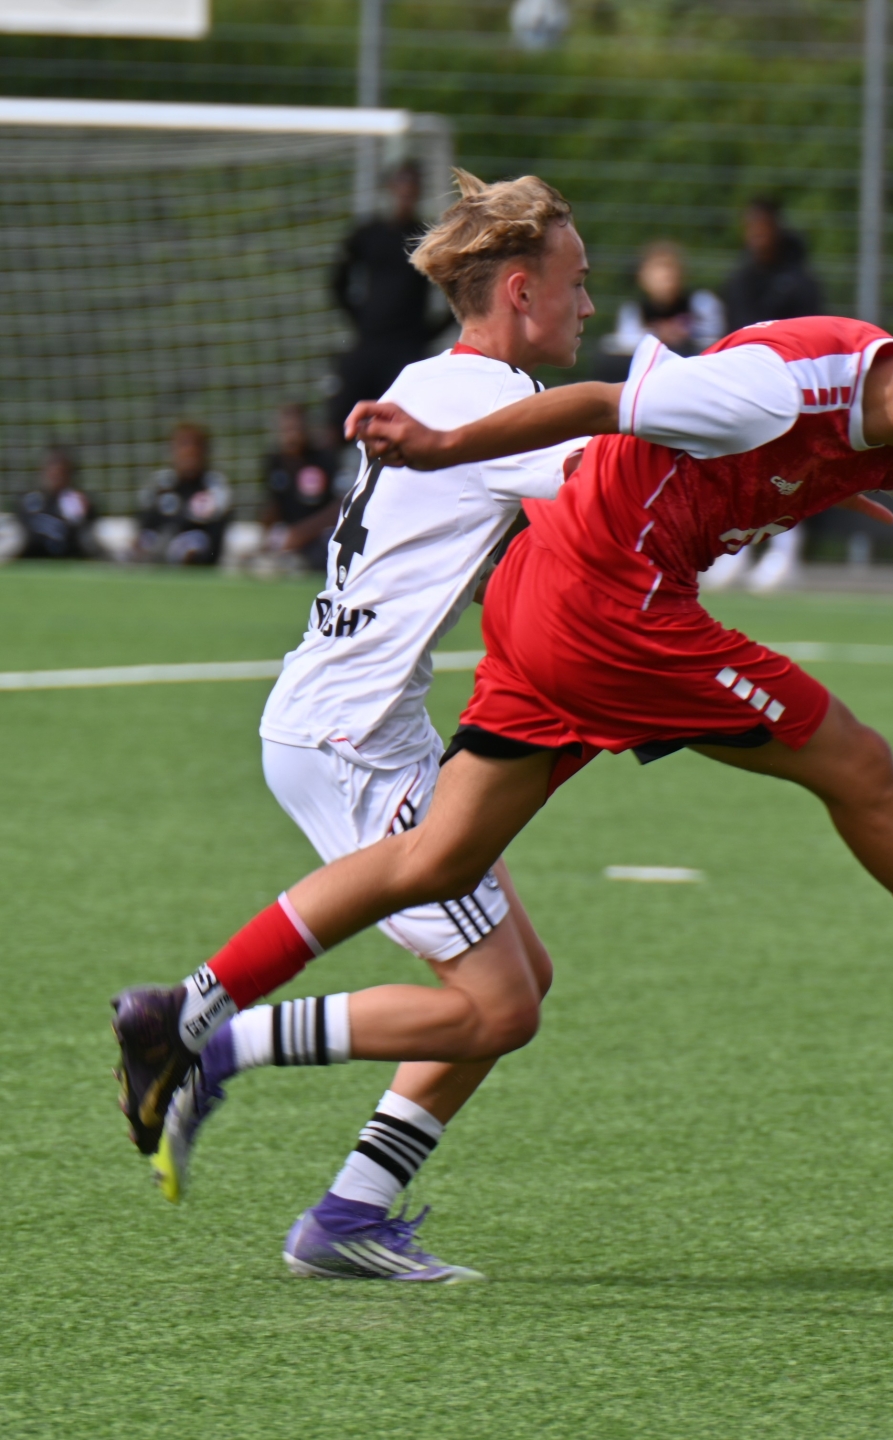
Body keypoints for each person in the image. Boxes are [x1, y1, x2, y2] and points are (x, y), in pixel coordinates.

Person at [112, 278, 893, 1254]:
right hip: (612, 608)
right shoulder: (779, 388)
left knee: (439, 861)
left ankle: (189, 1018)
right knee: (855, 763)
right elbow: (597, 403)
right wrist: (442, 447)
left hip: (551, 597)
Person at [132, 170, 595, 1283]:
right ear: (521, 291)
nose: (590, 304)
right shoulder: (496, 406)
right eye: (577, 282)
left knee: (518, 986)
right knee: (498, 1006)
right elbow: (624, 478)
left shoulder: (428, 378)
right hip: (354, 739)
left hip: (348, 721)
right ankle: (211, 1042)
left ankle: (351, 1212)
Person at [329, 161, 445, 434]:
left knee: (408, 417)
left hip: (407, 347)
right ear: (390, 188)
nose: (405, 192)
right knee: (338, 419)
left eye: (411, 185)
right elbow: (337, 281)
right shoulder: (367, 234)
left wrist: (427, 333)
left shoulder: (428, 238)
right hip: (370, 342)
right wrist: (361, 319)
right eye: (401, 184)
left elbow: (458, 285)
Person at [599, 242, 725, 373]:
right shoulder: (635, 310)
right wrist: (658, 335)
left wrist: (685, 336)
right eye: (657, 268)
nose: (665, 275)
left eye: (669, 267)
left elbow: (714, 338)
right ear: (642, 276)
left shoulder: (700, 302)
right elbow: (626, 344)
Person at [259, 404, 341, 573]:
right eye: (286, 430)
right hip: (288, 536)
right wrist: (264, 537)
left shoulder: (324, 459)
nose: (291, 436)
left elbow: (338, 508)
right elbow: (274, 506)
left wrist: (300, 534)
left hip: (319, 535)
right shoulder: (275, 463)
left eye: (295, 429)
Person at [136, 423, 232, 566]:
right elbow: (145, 524)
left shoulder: (214, 486)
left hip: (197, 553)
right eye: (183, 444)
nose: (189, 451)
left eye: (195, 445)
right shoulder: (159, 484)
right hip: (159, 548)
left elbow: (214, 533)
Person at [723, 196, 825, 328]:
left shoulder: (800, 283)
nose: (757, 234)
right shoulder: (739, 282)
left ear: (775, 229)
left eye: (762, 227)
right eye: (751, 228)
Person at [15, 445, 94, 559]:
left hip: (68, 557)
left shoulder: (79, 503)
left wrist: (83, 515)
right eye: (52, 473)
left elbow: (82, 536)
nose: (55, 477)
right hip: (30, 557)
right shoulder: (29, 501)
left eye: (60, 474)